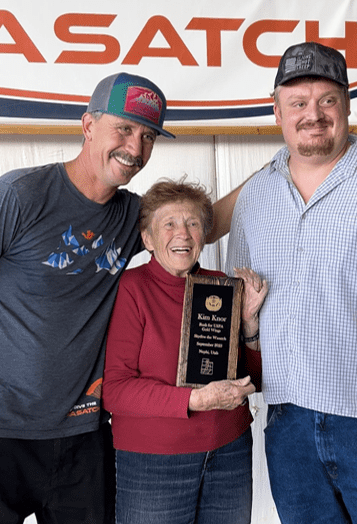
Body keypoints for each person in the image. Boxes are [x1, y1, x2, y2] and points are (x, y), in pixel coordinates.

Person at [0, 73, 238, 523]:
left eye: (148, 136)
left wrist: (283, 166)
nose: (135, 147)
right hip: (6, 431)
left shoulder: (133, 216)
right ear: (88, 125)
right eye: (124, 129)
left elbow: (202, 224)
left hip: (84, 436)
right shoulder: (21, 195)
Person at [224, 42, 357, 523]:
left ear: (347, 105)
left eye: (327, 100)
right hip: (287, 421)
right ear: (277, 112)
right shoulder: (255, 198)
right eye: (297, 102)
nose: (313, 114)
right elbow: (242, 310)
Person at [102, 179, 267, 524]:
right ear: (147, 239)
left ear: (204, 234)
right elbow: (115, 392)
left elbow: (256, 378)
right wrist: (195, 401)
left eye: (193, 223)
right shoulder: (131, 289)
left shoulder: (220, 285)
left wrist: (249, 324)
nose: (184, 233)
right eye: (170, 224)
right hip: (155, 460)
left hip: (229, 451)